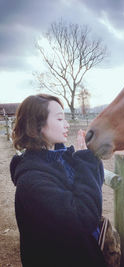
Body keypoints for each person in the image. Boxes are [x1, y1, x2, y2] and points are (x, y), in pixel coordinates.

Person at [10, 94, 107, 267]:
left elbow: (94, 186)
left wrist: (89, 157)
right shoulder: (32, 181)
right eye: (60, 118)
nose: (67, 124)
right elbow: (84, 217)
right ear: (36, 126)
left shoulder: (59, 160)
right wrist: (85, 161)